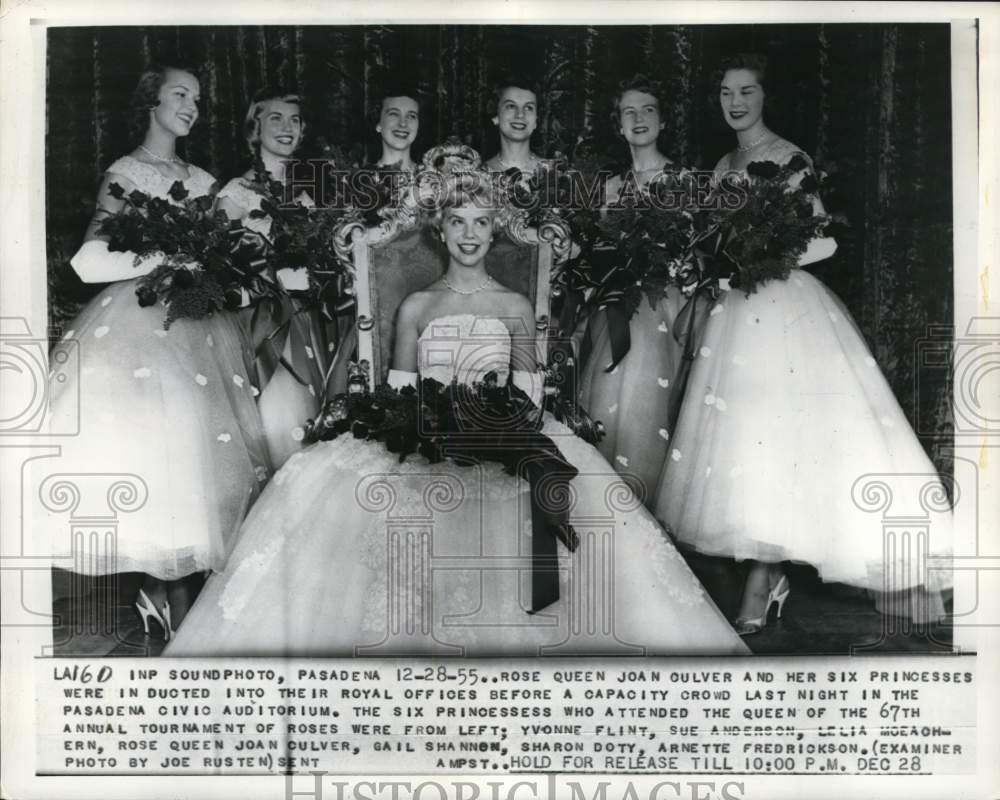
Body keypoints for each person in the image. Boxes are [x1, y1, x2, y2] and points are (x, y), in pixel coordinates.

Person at [164, 179, 749, 657]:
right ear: (440, 231)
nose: (469, 235)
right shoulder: (417, 305)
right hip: (424, 431)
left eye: (481, 223)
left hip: (505, 430)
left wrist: (502, 425)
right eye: (458, 223)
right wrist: (423, 424)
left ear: (494, 232)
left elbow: (528, 389)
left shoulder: (515, 306)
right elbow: (398, 389)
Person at [653, 53, 953, 633]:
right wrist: (718, 267)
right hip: (736, 308)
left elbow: (823, 245)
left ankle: (765, 576)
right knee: (747, 441)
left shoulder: (790, 158)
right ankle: (766, 571)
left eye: (746, 91)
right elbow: (714, 241)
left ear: (764, 96)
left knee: (785, 439)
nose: (735, 102)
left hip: (784, 310)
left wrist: (764, 258)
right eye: (725, 92)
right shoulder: (721, 164)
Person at [41, 65, 270, 639]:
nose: (192, 106)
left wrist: (215, 271)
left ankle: (174, 590)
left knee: (200, 443)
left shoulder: (203, 178)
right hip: (141, 321)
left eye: (197, 98)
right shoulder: (126, 171)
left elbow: (224, 256)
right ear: (151, 101)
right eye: (180, 95)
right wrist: (165, 265)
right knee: (162, 440)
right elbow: (88, 260)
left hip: (200, 322)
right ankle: (163, 586)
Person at [576, 74, 687, 506]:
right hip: (614, 308)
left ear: (662, 121)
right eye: (629, 112)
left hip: (663, 307)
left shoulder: (682, 181)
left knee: (648, 410)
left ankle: (651, 519)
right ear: (618, 125)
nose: (638, 119)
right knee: (606, 403)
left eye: (648, 110)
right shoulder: (609, 188)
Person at [215, 87, 322, 468]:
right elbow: (218, 266)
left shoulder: (307, 196)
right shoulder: (236, 193)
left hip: (308, 321)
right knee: (280, 421)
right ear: (254, 129)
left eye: (294, 120)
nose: (287, 127)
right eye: (275, 118)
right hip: (262, 325)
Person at [484, 78, 544, 174]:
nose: (520, 115)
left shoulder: (554, 174)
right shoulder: (477, 176)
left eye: (529, 108)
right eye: (511, 106)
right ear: (495, 116)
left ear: (536, 120)